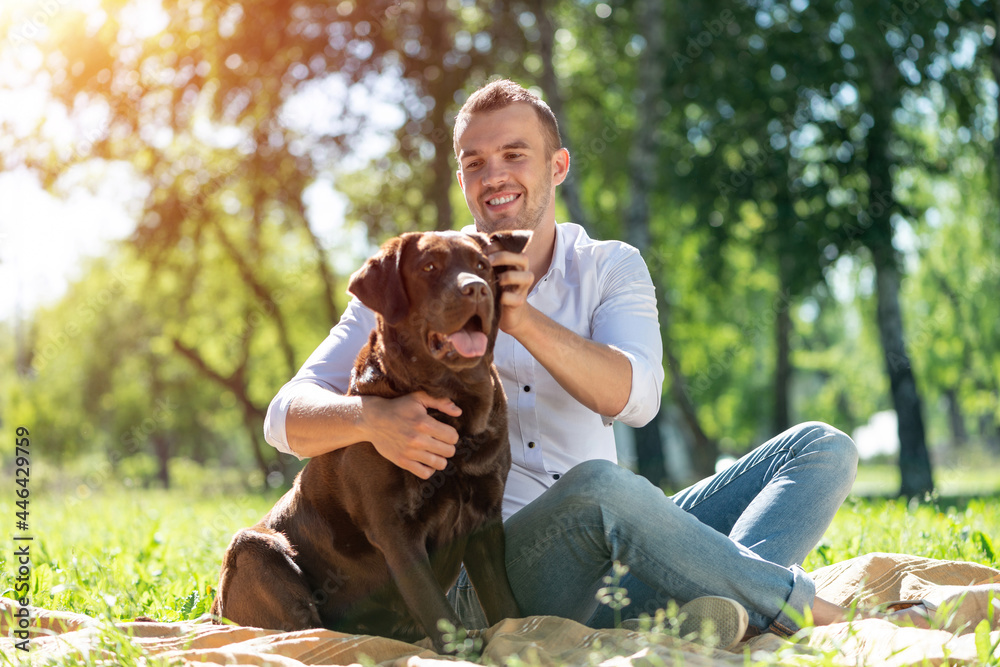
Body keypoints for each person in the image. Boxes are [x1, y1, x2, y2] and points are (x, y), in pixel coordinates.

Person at [262, 79, 925, 646]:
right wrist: (372, 417)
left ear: (557, 167)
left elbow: (634, 398)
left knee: (821, 448)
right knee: (600, 487)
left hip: (621, 539)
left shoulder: (609, 265)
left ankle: (716, 608)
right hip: (499, 567)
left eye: (514, 154)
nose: (494, 174)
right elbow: (283, 418)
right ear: (462, 179)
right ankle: (803, 609)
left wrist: (521, 317)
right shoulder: (425, 281)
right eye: (475, 161)